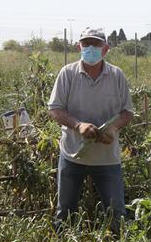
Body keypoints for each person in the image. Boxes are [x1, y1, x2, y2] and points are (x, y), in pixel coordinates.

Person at [47, 27, 134, 231]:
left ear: (105, 49)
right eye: (86, 44)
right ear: (79, 47)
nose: (90, 48)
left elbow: (127, 112)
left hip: (107, 158)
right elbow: (55, 109)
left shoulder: (116, 75)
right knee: (65, 212)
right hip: (72, 155)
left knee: (116, 213)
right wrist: (78, 125)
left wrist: (113, 128)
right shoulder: (67, 74)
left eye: (95, 44)